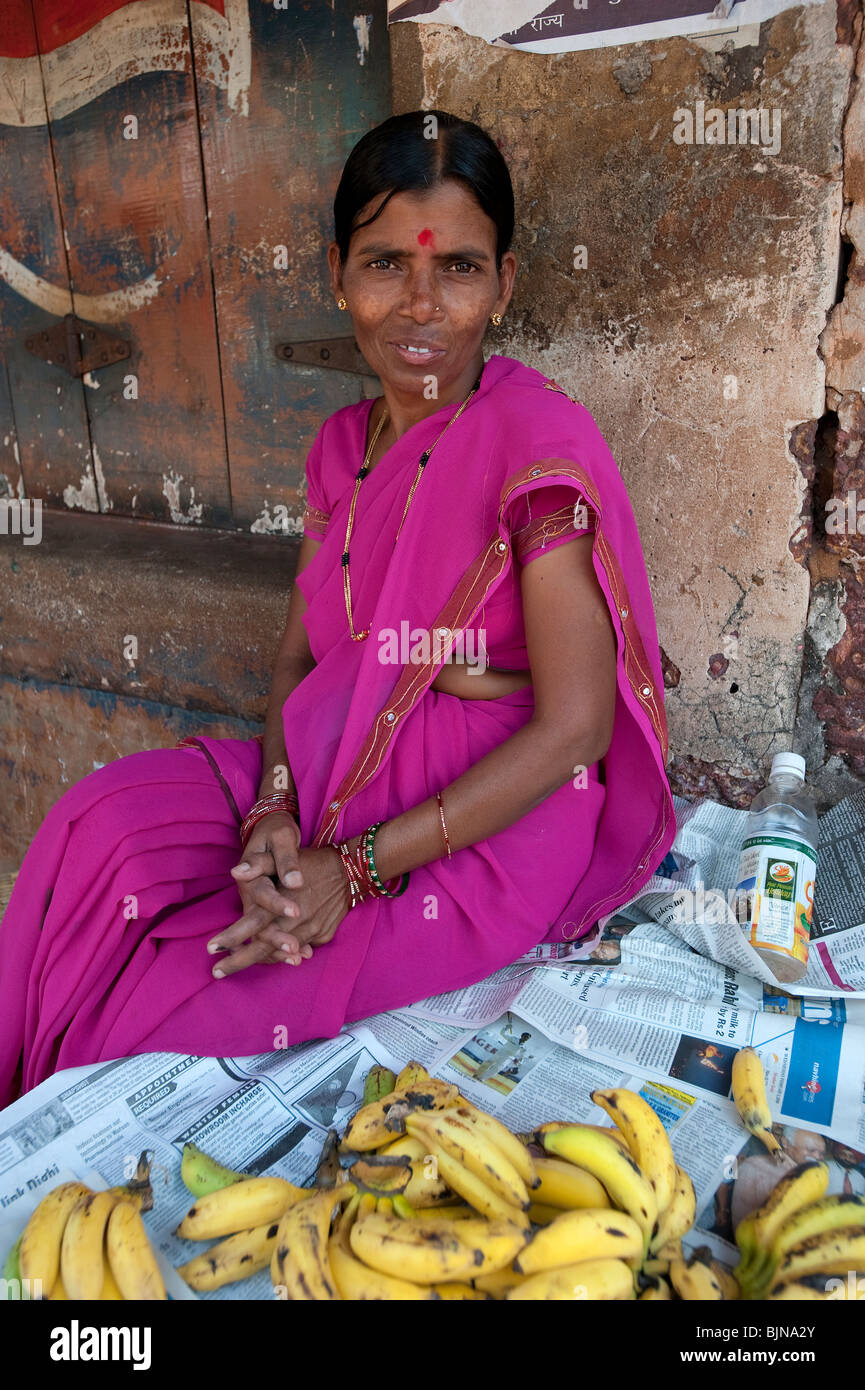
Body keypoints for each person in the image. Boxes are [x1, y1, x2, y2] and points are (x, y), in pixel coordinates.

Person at [0, 110, 675, 1108]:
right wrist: (274, 804)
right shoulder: (339, 448)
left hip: (479, 823)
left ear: (504, 284)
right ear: (335, 273)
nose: (420, 305)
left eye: (458, 269)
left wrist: (349, 872)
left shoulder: (536, 447)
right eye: (385, 263)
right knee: (95, 837)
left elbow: (575, 729)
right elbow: (292, 667)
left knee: (151, 1005)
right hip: (323, 764)